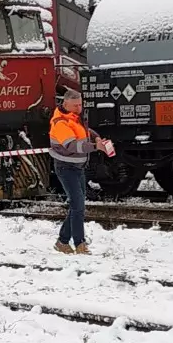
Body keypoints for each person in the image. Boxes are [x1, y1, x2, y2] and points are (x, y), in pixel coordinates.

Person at [48, 89, 111, 255]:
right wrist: (95, 147)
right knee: (78, 205)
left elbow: (85, 131)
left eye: (80, 104)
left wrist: (96, 137)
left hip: (78, 167)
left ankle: (62, 242)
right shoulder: (60, 123)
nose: (79, 108)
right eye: (75, 105)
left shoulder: (74, 118)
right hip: (66, 167)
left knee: (78, 206)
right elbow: (72, 146)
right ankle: (79, 244)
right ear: (65, 103)